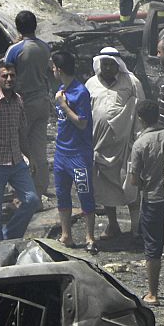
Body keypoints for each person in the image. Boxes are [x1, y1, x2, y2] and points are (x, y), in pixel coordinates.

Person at [87, 47, 144, 239]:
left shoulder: (132, 82)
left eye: (112, 64)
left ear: (119, 64)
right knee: (104, 189)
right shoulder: (91, 84)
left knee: (130, 186)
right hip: (100, 146)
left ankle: (136, 228)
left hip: (125, 144)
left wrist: (140, 137)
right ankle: (112, 225)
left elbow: (140, 109)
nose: (108, 67)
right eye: (105, 64)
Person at [129, 99, 164, 304]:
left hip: (153, 199)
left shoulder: (140, 143)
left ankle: (153, 293)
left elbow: (134, 180)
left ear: (141, 119)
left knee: (153, 247)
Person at [51, 51, 97, 253]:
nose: (52, 70)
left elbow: (82, 122)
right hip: (61, 152)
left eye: (53, 67)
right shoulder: (62, 89)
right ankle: (66, 234)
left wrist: (63, 106)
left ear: (59, 70)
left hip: (78, 154)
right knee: (62, 194)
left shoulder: (80, 92)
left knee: (84, 193)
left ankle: (90, 236)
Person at [4, 10, 52, 202]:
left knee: (17, 148)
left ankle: (21, 195)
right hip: (42, 100)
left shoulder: (15, 50)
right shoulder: (44, 47)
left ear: (18, 27)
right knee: (38, 150)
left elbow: (7, 74)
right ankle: (38, 193)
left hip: (24, 104)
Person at [0, 63, 39, 241]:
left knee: (32, 200)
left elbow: (21, 132)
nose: (9, 79)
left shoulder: (18, 100)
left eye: (12, 75)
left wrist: (30, 157)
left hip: (16, 161)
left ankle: (10, 236)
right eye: (5, 76)